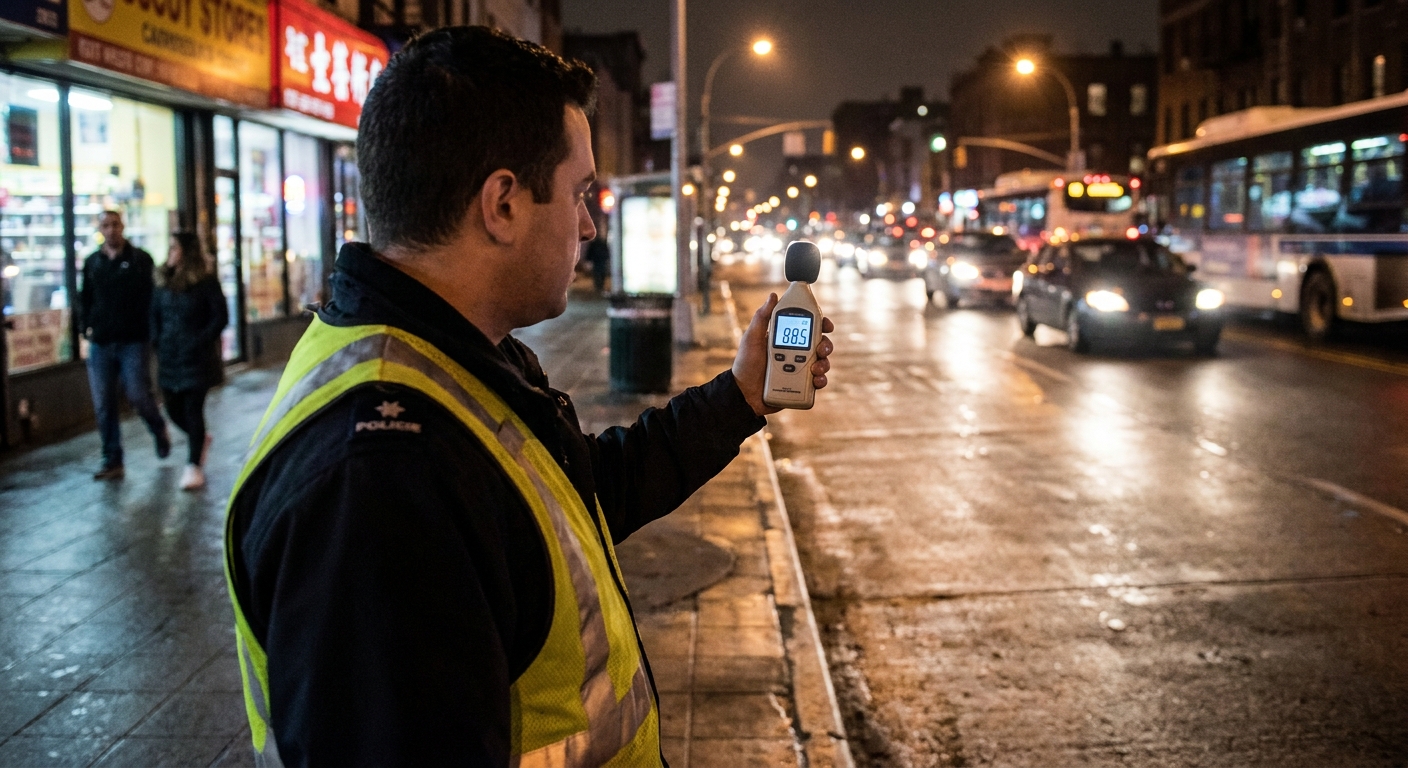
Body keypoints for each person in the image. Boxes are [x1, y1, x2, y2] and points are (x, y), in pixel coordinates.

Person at [223, 26, 834, 767]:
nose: (588, 224)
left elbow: (576, 497)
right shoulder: (380, 475)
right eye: (579, 193)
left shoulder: (448, 357)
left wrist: (740, 396)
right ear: (504, 203)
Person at [80, 210, 170, 480]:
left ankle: (158, 427)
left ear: (123, 226)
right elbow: (85, 297)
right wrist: (84, 326)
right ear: (100, 229)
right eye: (105, 226)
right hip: (102, 341)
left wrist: (154, 332)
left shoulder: (140, 260)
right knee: (104, 403)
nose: (110, 230)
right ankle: (112, 459)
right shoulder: (93, 262)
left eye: (114, 225)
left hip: (134, 339)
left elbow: (154, 298)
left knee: (138, 394)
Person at [151, 232, 228, 491]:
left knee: (193, 410)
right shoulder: (163, 280)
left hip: (196, 358)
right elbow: (155, 314)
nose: (171, 252)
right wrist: (157, 340)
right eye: (170, 247)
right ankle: (199, 440)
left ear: (187, 252)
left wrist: (200, 340)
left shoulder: (205, 282)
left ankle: (194, 465)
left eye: (176, 247)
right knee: (172, 408)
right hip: (169, 357)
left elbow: (220, 316)